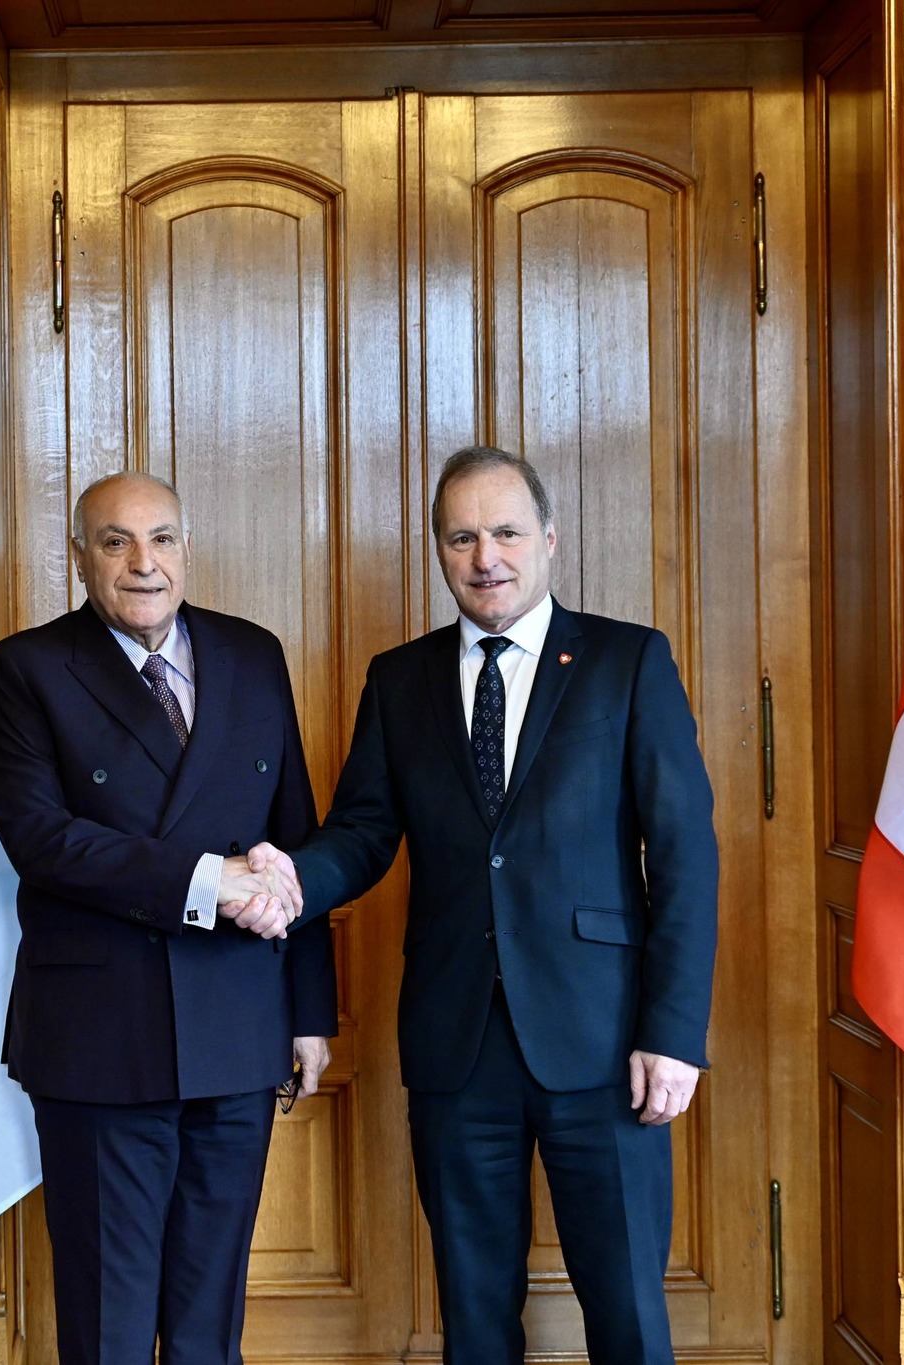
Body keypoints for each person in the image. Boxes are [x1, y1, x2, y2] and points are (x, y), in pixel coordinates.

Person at [243, 446, 718, 1364]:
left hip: (604, 1042)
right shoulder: (399, 679)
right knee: (473, 1317)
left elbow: (685, 854)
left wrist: (674, 1030)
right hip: (456, 1046)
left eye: (505, 532)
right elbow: (362, 833)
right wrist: (288, 879)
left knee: (628, 1310)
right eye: (461, 537)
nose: (485, 557)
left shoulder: (627, 661)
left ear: (549, 537)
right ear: (439, 550)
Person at [0, 470, 332, 1365]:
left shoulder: (254, 654)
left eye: (162, 538)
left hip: (238, 1026)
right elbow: (41, 839)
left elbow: (293, 839)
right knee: (111, 1326)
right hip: (102, 1037)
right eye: (116, 542)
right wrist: (209, 879)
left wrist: (309, 1011)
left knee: (210, 1327)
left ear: (187, 548)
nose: (144, 562)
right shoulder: (27, 668)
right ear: (79, 557)